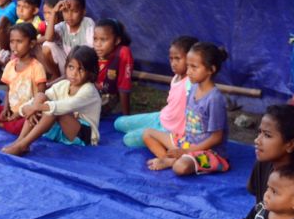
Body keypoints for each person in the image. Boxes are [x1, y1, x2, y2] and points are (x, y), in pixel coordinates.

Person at [144, 42, 230, 176]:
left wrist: (187, 152)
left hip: (208, 151)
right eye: (188, 66)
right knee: (147, 134)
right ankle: (167, 159)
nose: (188, 71)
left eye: (194, 67)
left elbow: (216, 138)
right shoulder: (193, 88)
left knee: (181, 167)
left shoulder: (214, 99)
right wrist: (184, 148)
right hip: (187, 142)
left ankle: (172, 161)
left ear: (211, 70)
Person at [2, 46, 102, 156]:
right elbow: (41, 99)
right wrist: (26, 108)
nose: (74, 73)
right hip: (63, 131)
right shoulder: (63, 85)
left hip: (83, 136)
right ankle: (20, 140)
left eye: (81, 69)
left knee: (54, 109)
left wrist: (36, 107)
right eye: (71, 67)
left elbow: (65, 106)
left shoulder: (89, 90)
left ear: (90, 72)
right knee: (40, 96)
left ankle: (24, 145)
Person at [114, 35, 196, 148]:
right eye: (171, 58)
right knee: (118, 123)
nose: (173, 63)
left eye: (177, 58)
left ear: (191, 59)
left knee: (129, 139)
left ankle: (161, 141)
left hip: (171, 130)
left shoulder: (191, 83)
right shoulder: (176, 77)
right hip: (161, 118)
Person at [0, 22, 46, 135]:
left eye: (19, 42)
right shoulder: (10, 65)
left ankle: (0, 124)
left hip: (28, 113)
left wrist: (20, 113)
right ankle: (8, 121)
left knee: (26, 124)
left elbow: (41, 97)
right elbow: (8, 90)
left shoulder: (37, 67)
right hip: (12, 110)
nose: (14, 46)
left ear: (31, 44)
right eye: (12, 42)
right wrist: (5, 108)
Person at [92, 18, 134, 115]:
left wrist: (126, 117)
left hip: (107, 97)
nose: (98, 44)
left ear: (117, 40)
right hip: (90, 93)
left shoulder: (123, 53)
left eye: (103, 40)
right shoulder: (92, 52)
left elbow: (124, 86)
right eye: (95, 39)